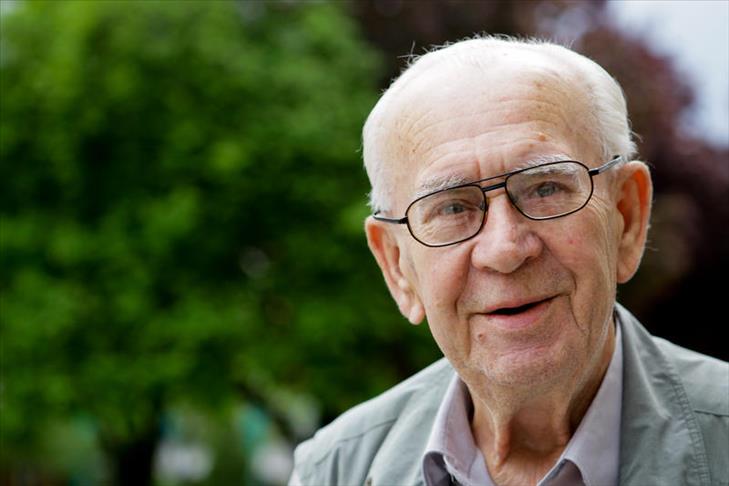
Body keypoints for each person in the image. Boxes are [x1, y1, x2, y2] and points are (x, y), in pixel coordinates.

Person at [289, 36, 729, 486]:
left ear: (626, 217)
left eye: (545, 188)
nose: (505, 250)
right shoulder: (333, 470)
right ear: (397, 266)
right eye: (452, 208)